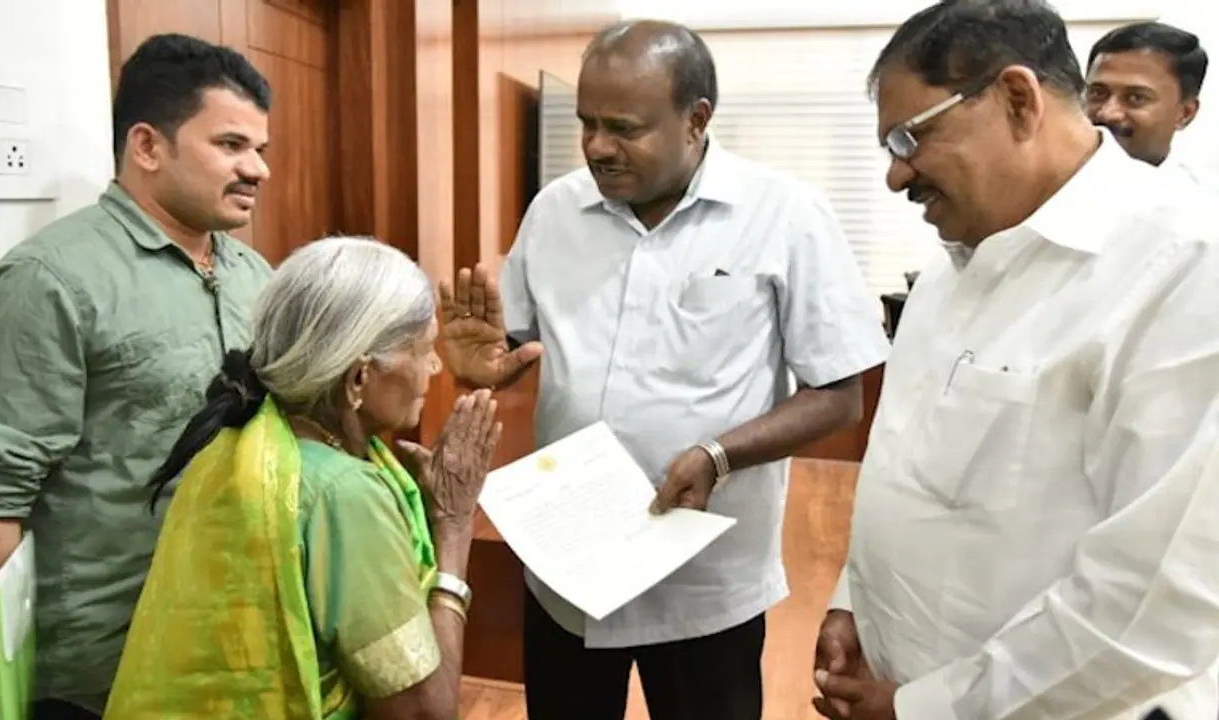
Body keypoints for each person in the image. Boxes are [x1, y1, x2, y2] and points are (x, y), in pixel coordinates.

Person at [441, 19, 891, 720]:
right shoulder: (556, 210)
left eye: (622, 128)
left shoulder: (785, 215)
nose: (595, 146)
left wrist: (718, 454)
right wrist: (483, 368)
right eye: (587, 123)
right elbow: (514, 344)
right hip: (568, 568)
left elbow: (838, 397)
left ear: (696, 120)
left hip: (703, 584)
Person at [813, 2, 1219, 719]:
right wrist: (854, 602)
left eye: (910, 138)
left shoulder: (1182, 269)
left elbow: (1153, 605)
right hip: (901, 681)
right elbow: (904, 465)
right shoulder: (951, 265)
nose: (896, 178)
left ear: (1017, 100)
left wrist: (926, 709)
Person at [0, 33, 273, 720]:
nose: (258, 169)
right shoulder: (50, 282)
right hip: (98, 676)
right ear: (148, 146)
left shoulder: (256, 277)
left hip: (233, 646)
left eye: (261, 150)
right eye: (232, 146)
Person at [103, 237, 501, 719]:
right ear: (358, 378)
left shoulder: (239, 437)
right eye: (423, 350)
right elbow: (423, 712)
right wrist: (454, 527)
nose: (434, 368)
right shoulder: (344, 494)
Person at [1085, 21, 1209, 180]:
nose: (1108, 114)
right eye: (1098, 93)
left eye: (1136, 98)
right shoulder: (1050, 188)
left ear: (1185, 113)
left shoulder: (1199, 201)